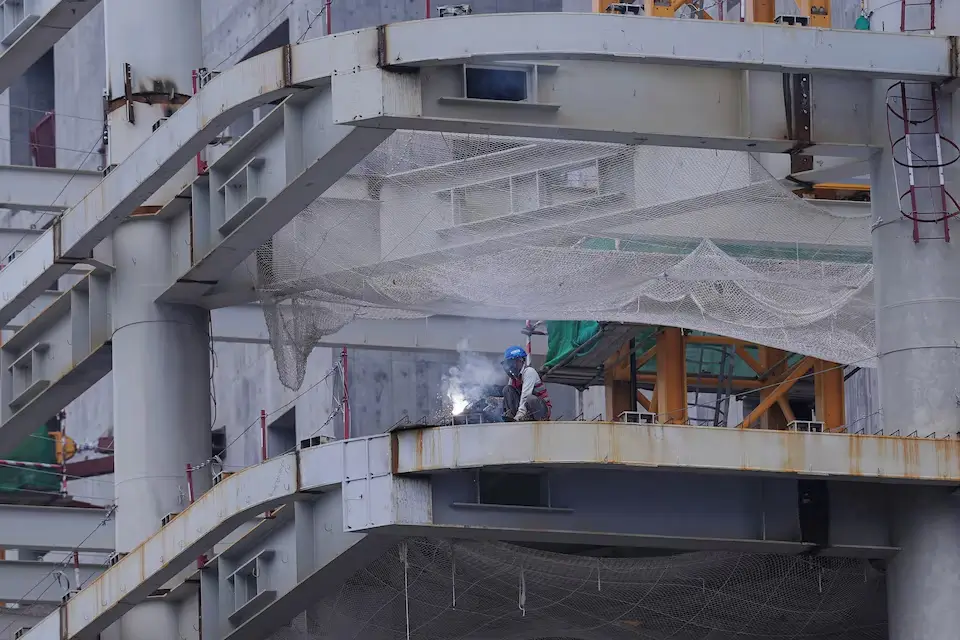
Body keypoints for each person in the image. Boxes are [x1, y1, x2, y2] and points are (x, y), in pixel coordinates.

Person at [500, 346, 551, 421]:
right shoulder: (513, 377)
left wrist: (519, 415)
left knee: (530, 399)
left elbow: (525, 395)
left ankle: (528, 418)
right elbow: (509, 397)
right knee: (507, 389)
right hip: (525, 410)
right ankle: (512, 416)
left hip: (540, 410)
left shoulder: (529, 372)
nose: (510, 366)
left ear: (520, 361)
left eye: (512, 363)